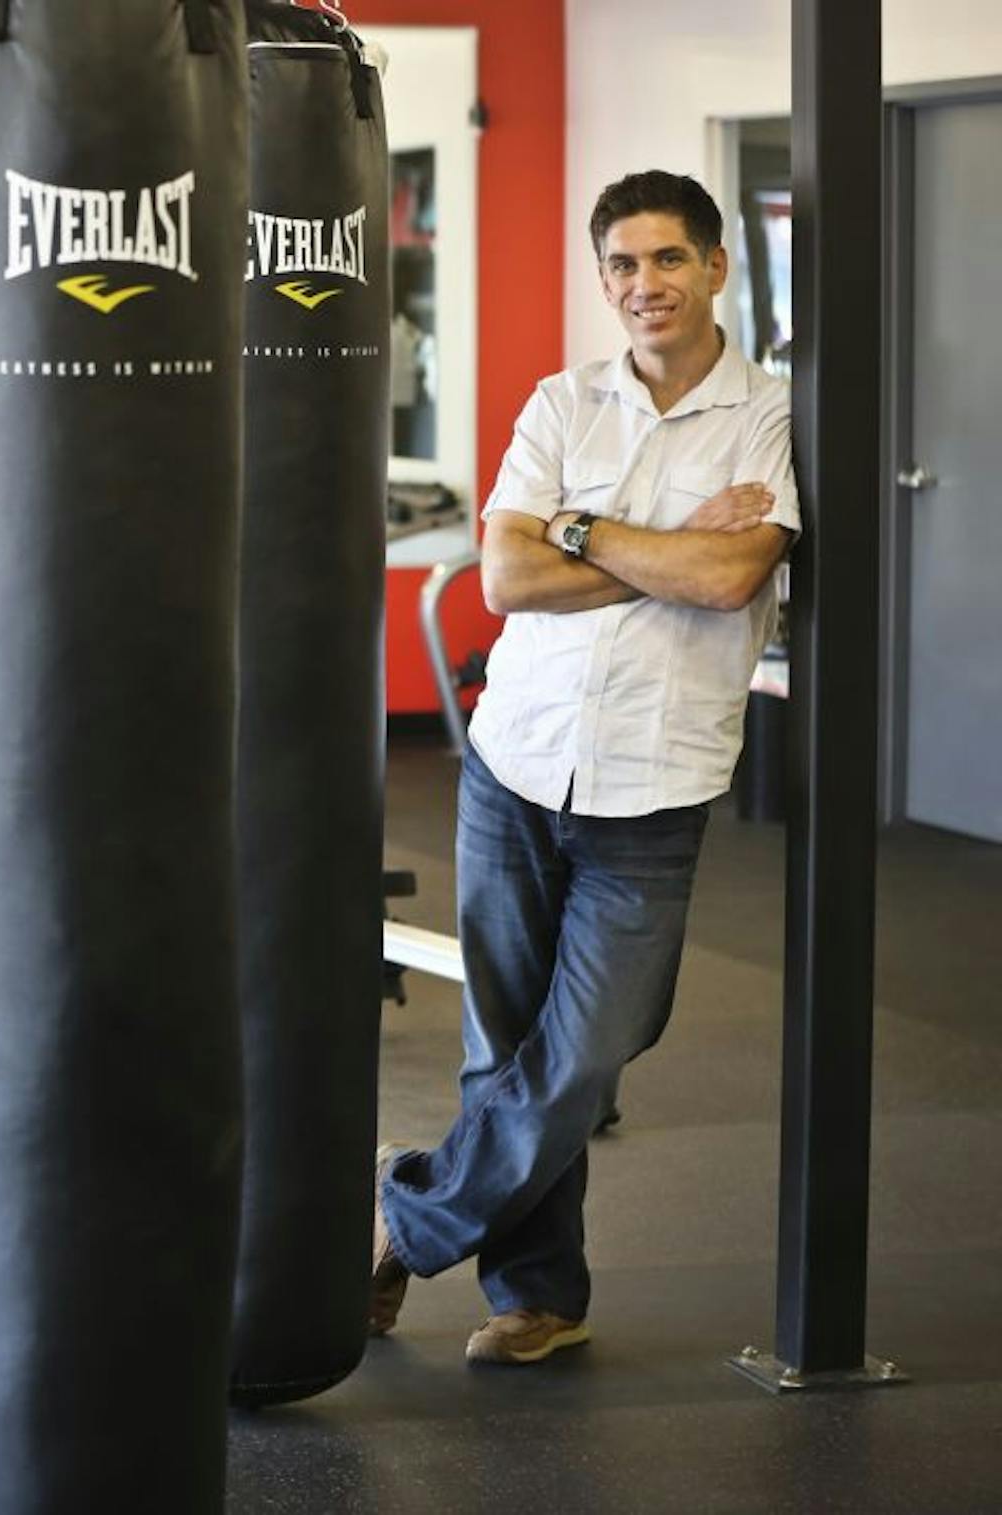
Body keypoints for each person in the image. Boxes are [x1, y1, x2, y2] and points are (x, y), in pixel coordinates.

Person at [371, 170, 800, 1365]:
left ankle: (399, 1222)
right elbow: (507, 582)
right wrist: (653, 544)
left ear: (716, 267)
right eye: (621, 264)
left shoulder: (772, 415)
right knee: (505, 1050)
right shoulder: (564, 404)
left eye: (669, 259)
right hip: (518, 763)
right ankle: (537, 1299)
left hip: (652, 790)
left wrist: (579, 532)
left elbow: (729, 581)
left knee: (587, 1057)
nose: (644, 285)